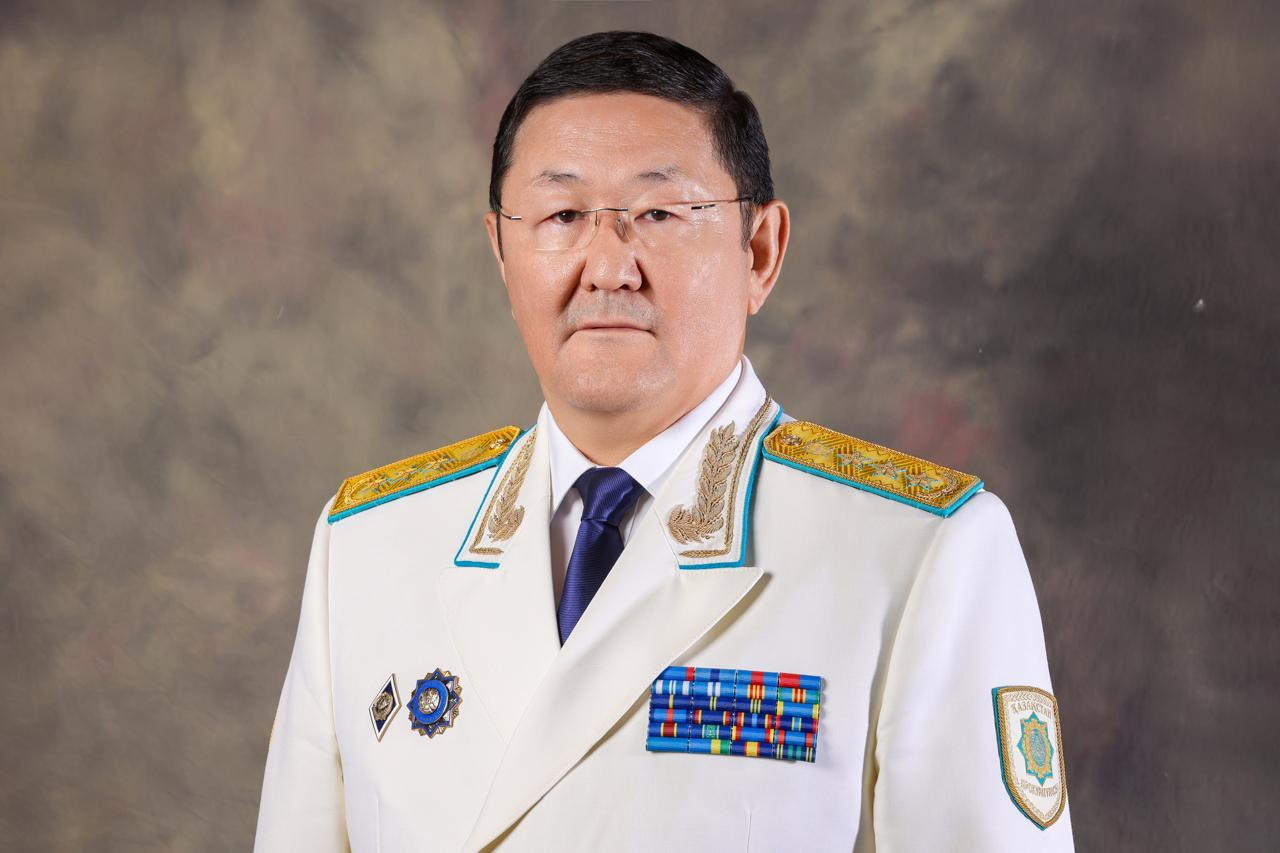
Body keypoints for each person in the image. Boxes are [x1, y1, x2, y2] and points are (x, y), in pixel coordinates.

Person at [254, 30, 1074, 852]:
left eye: (659, 213)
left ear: (761, 251)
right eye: (562, 215)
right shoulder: (368, 547)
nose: (608, 267)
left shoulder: (917, 553)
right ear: (501, 249)